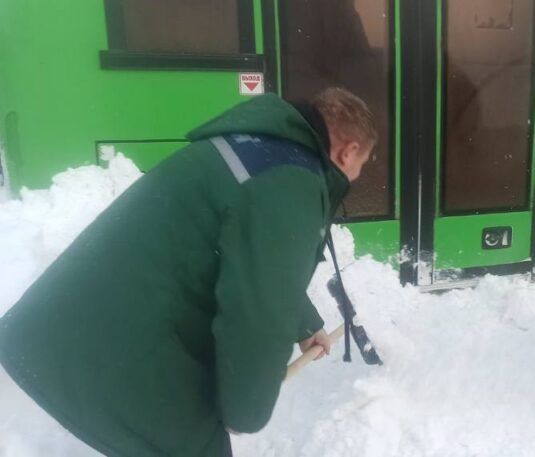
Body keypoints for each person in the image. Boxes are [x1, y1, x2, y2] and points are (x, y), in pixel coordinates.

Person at [0, 87, 376, 456]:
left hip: (78, 325)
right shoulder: (293, 183)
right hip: (111, 351)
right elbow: (257, 312)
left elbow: (251, 258)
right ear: (349, 151)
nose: (356, 177)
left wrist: (306, 323)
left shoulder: (257, 150)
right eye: (360, 167)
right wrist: (247, 411)